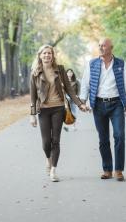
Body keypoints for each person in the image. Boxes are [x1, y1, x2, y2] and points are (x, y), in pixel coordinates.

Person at [79, 38, 126, 181]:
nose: (101, 48)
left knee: (119, 136)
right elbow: (85, 83)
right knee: (103, 139)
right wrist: (82, 101)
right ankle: (107, 169)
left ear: (111, 47)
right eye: (99, 46)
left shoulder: (121, 64)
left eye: (103, 45)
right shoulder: (92, 64)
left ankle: (118, 170)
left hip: (116, 104)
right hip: (98, 104)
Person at [29, 45, 87, 182]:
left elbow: (69, 90)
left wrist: (80, 104)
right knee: (46, 142)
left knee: (56, 140)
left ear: (53, 55)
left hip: (58, 108)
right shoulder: (35, 72)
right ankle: (48, 159)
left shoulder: (60, 70)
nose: (47, 56)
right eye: (44, 53)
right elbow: (32, 97)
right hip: (43, 110)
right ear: (40, 55)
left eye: (49, 53)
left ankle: (54, 170)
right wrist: (32, 115)